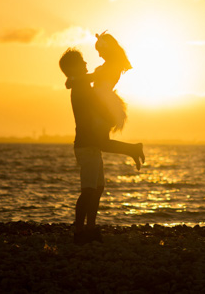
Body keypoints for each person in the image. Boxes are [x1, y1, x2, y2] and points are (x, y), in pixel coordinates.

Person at [64, 32, 145, 170]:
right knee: (101, 142)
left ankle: (133, 149)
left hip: (103, 102)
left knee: (101, 143)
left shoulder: (112, 66)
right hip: (101, 99)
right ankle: (133, 149)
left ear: (107, 50)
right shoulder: (111, 64)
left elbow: (94, 77)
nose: (99, 55)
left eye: (100, 51)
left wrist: (74, 80)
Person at [59, 48, 108, 244]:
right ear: (74, 68)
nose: (86, 65)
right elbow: (78, 81)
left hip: (93, 144)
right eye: (82, 63)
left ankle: (90, 228)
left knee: (98, 187)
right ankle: (79, 232)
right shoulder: (79, 85)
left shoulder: (80, 83)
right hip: (86, 144)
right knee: (88, 190)